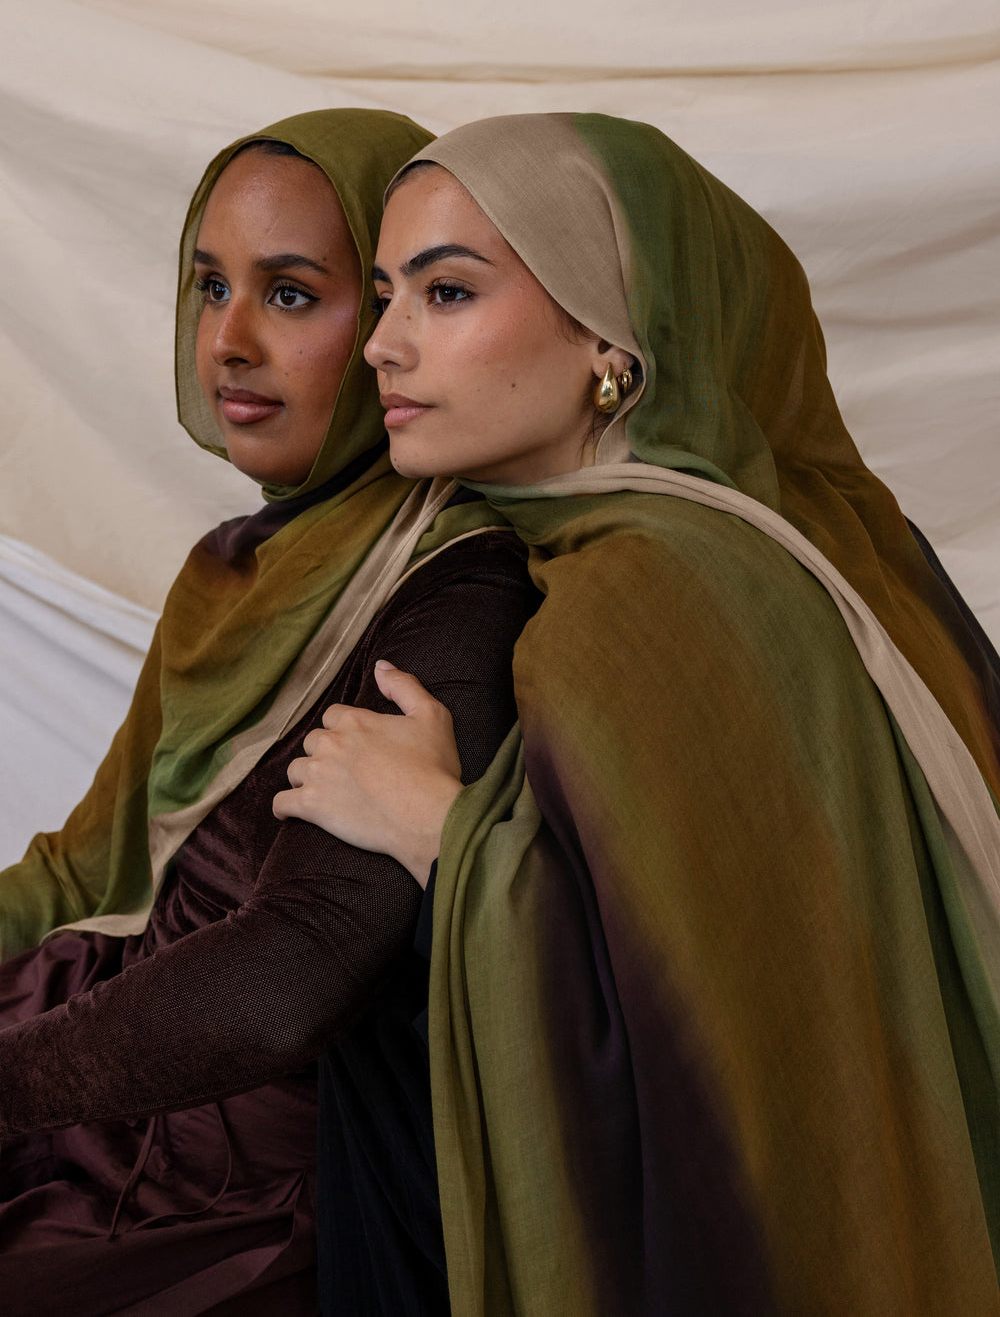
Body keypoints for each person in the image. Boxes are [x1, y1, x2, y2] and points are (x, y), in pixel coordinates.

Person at [277, 112, 1000, 1315]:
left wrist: (436, 834)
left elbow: (725, 1028)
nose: (383, 348)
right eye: (387, 295)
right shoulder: (592, 554)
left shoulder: (658, 585)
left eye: (447, 294)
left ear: (609, 338)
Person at [0, 109, 539, 1315]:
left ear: (387, 324)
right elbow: (88, 866)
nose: (228, 340)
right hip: (93, 1050)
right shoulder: (235, 563)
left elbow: (302, 970)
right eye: (209, 287)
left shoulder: (461, 587)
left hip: (233, 1179)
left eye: (291, 295)